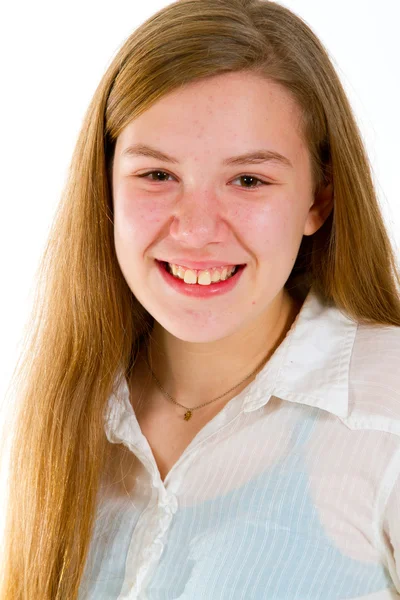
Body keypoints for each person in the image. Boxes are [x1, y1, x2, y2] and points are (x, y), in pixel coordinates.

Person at [1, 0, 400, 598]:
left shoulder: (385, 413)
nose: (195, 229)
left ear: (318, 200)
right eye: (157, 175)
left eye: (248, 180)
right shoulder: (64, 412)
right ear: (105, 188)